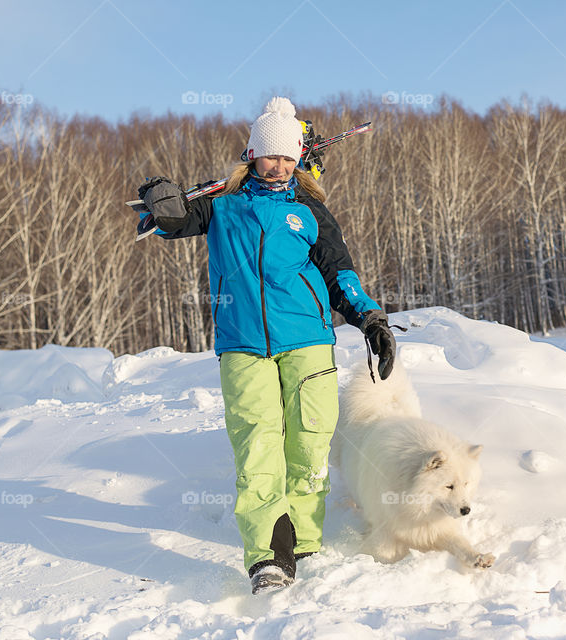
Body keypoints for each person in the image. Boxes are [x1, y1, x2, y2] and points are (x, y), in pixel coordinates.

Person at [136, 97, 396, 594]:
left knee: (309, 443)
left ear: (298, 159)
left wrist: (369, 317)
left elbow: (339, 272)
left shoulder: (310, 211)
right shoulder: (219, 206)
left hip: (309, 341)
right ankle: (268, 557)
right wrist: (162, 202)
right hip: (242, 344)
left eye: (287, 157)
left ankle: (302, 542)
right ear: (251, 155)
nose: (277, 166)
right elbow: (168, 223)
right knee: (257, 445)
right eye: (268, 155)